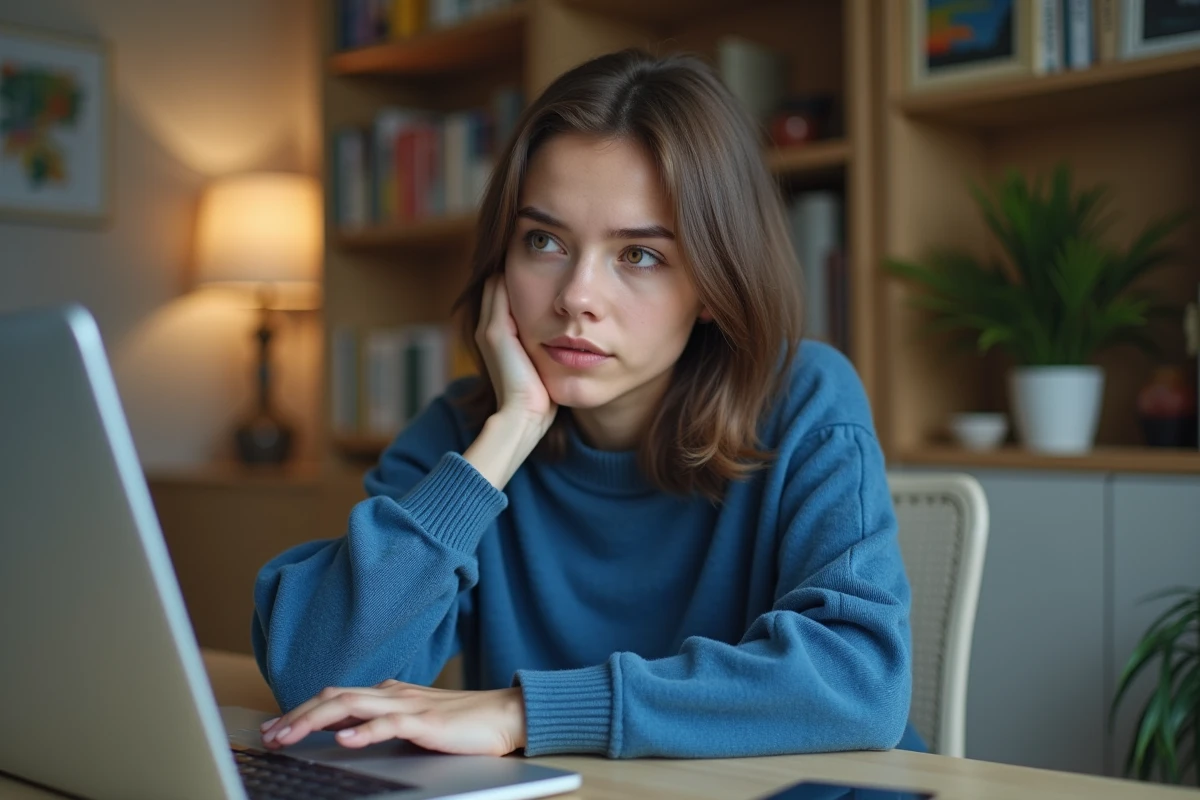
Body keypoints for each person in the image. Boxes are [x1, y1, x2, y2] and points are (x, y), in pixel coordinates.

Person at [253, 48, 923, 760]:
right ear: (499, 265)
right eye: (544, 241)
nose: (576, 297)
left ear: (714, 282)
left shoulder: (805, 399)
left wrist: (525, 713)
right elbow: (314, 681)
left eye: (639, 255)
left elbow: (860, 684)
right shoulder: (467, 432)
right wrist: (506, 439)